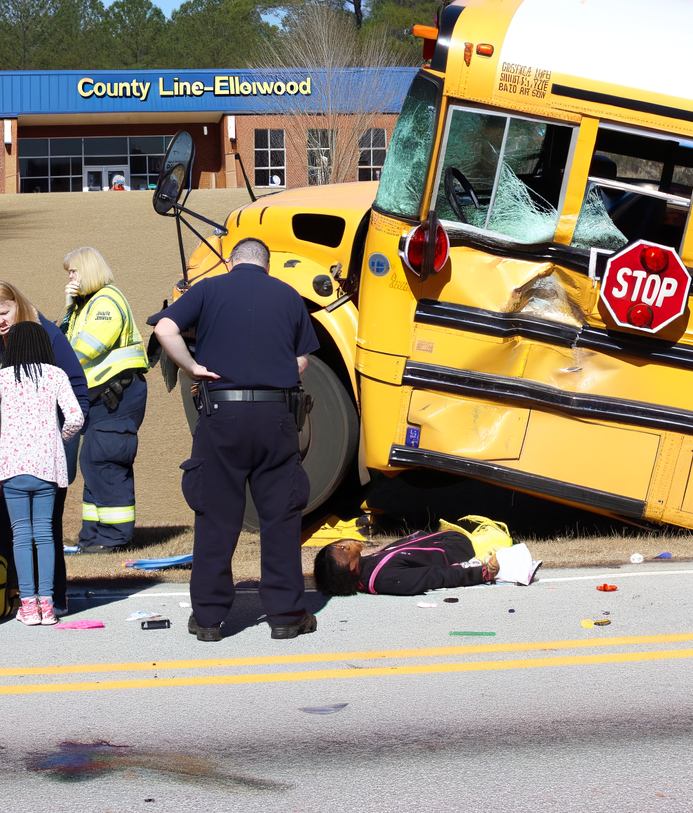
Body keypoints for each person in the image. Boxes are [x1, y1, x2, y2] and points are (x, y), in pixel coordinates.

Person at [148, 237, 319, 642]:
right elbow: (301, 361)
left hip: (221, 415)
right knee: (280, 518)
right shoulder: (289, 295)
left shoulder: (207, 289)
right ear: (267, 264)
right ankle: (286, 615)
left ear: (230, 261)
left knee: (216, 518)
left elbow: (165, 329)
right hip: (277, 417)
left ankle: (208, 619)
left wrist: (193, 367)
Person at [0, 281, 89, 616]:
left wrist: (59, 440)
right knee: (0, 525)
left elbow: (77, 394)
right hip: (3, 455)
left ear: (17, 302)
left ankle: (50, 597)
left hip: (36, 452)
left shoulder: (47, 335)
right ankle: (13, 594)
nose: (0, 321)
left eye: (5, 311)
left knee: (42, 527)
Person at [60, 247, 148, 553]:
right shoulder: (87, 305)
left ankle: (112, 539)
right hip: (105, 399)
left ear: (88, 270)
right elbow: (65, 341)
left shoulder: (106, 302)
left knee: (106, 460)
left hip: (118, 397)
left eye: (73, 271)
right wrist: (70, 307)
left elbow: (83, 350)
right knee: (93, 461)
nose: (70, 277)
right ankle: (93, 537)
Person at [313, 530, 501, 597]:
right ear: (352, 569)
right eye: (344, 549)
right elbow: (435, 577)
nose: (347, 543)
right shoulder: (386, 578)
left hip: (446, 539)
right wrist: (483, 573)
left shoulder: (367, 566)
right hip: (464, 548)